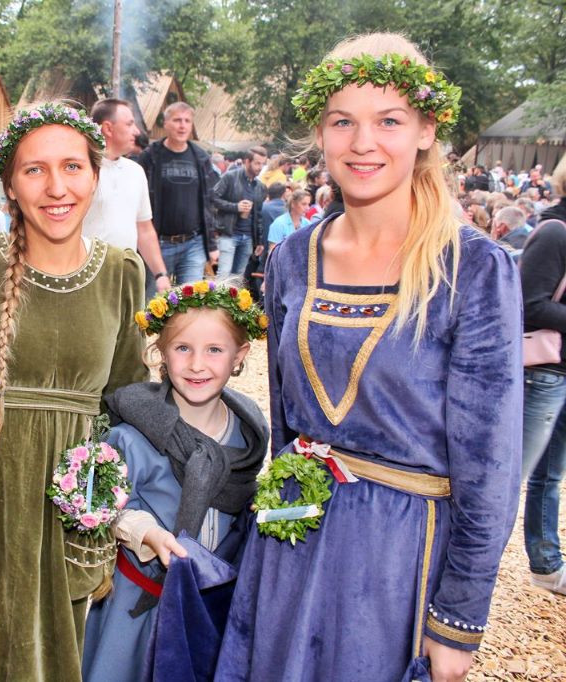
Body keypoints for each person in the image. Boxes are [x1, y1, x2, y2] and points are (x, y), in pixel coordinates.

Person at [217, 34, 522, 682]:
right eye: (342, 122)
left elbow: (492, 470)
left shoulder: (472, 268)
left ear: (425, 129)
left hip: (396, 564)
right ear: (321, 133)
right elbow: (285, 427)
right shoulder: (292, 256)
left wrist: (457, 621)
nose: (363, 143)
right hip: (290, 546)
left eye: (388, 121)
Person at [0, 102, 147, 681]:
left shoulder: (122, 270)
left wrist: (118, 505)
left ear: (96, 176)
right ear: (10, 186)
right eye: (35, 170)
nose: (56, 187)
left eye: (72, 167)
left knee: (59, 655)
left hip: (73, 504)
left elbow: (125, 396)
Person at [82, 279, 269, 682]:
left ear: (240, 356)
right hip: (141, 605)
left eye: (214, 350)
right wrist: (147, 533)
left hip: (213, 604)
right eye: (183, 348)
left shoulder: (248, 433)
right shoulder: (132, 434)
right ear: (161, 354)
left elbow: (244, 504)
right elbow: (102, 506)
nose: (197, 364)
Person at [517, 166, 566, 596]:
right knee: (511, 475)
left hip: (561, 370)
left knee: (552, 475)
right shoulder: (555, 232)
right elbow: (529, 304)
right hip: (544, 372)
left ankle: (547, 563)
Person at [83, 98, 171, 297]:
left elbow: (144, 229)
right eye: (130, 124)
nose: (137, 131)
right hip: (86, 278)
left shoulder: (135, 172)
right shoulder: (81, 169)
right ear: (108, 128)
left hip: (125, 276)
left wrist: (160, 274)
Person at [137, 101, 219, 288]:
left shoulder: (200, 157)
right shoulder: (150, 157)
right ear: (165, 123)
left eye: (187, 121)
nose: (182, 125)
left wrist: (212, 245)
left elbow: (209, 204)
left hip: (193, 243)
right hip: (158, 244)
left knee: (189, 304)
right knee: (151, 306)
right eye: (177, 120)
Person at [212, 146, 268, 278]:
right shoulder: (230, 177)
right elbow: (212, 198)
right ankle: (219, 299)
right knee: (224, 275)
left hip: (247, 237)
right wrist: (235, 207)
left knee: (238, 278)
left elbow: (258, 216)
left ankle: (233, 299)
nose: (260, 167)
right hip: (228, 234)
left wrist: (259, 241)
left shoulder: (259, 186)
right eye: (257, 163)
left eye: (262, 164)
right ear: (247, 162)